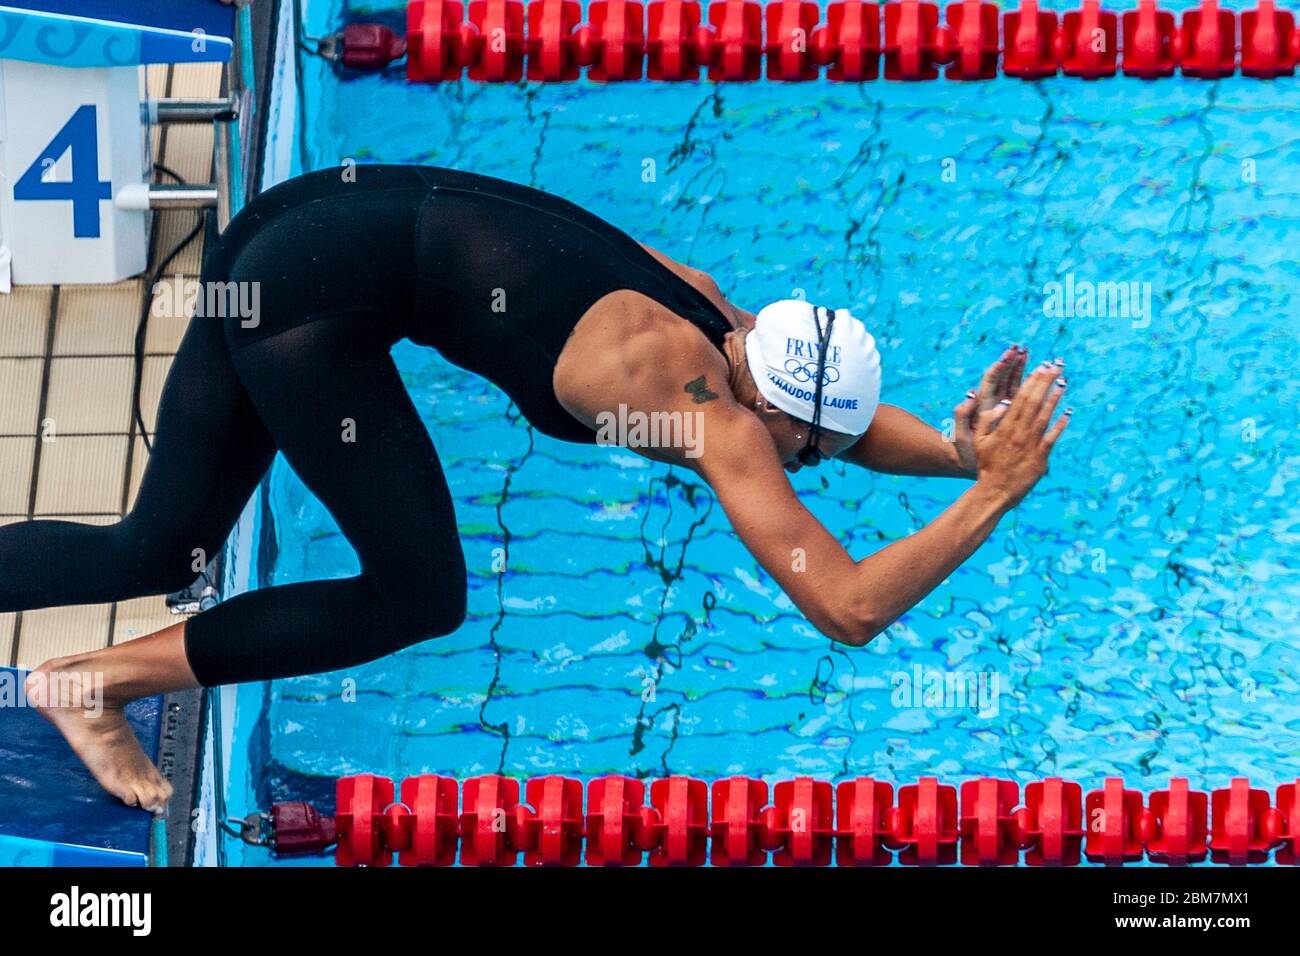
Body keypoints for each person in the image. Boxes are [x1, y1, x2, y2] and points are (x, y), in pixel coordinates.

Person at [1, 165, 1068, 811]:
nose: (805, 466)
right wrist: (994, 496)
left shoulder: (720, 320)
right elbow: (847, 605)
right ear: (776, 416)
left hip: (293, 224)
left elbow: (841, 422)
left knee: (156, 546)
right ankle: (97, 681)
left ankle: (92, 678)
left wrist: (953, 453)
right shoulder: (712, 412)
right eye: (810, 452)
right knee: (419, 593)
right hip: (306, 300)